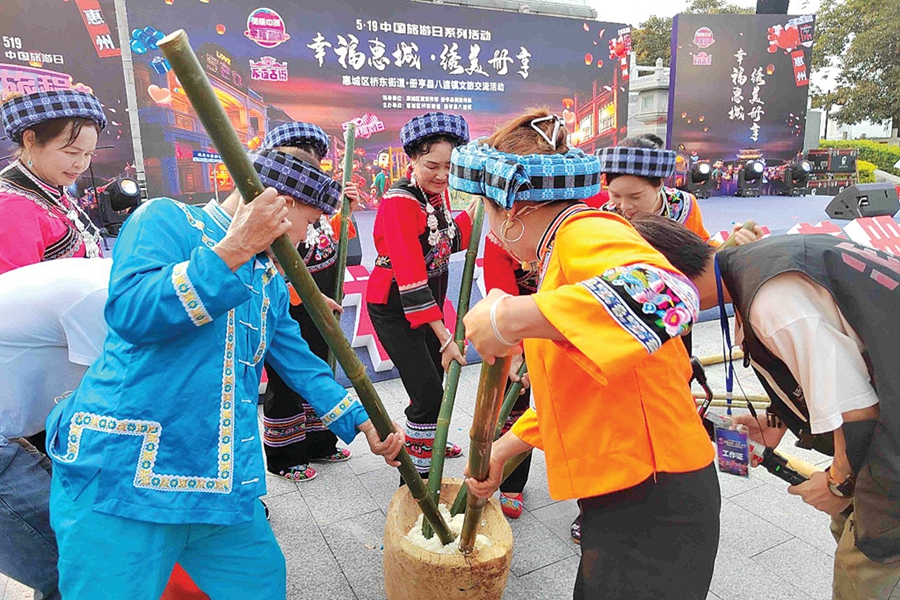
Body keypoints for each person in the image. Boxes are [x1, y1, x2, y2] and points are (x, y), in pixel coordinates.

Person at [44, 145, 404, 600]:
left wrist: (363, 420)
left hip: (218, 481)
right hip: (123, 477)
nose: (306, 239)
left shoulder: (269, 279)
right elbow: (131, 313)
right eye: (310, 223)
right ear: (280, 206)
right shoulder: (165, 219)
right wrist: (235, 248)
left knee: (260, 584)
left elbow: (300, 363)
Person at [458, 109, 720, 600]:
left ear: (511, 210)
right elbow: (579, 384)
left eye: (486, 213)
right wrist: (508, 446)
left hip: (652, 493)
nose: (490, 231)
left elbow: (668, 294)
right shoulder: (560, 248)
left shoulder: (583, 233)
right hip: (630, 486)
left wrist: (507, 317)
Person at [630, 214, 900, 600]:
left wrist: (837, 484)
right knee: (851, 527)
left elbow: (856, 411)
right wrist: (779, 420)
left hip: (890, 440)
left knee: (867, 566)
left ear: (660, 281)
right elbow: (839, 348)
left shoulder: (772, 299)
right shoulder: (756, 265)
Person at [366, 112, 475, 478]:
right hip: (396, 305)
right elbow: (411, 275)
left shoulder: (435, 197)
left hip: (428, 302)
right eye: (432, 166)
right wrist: (445, 338)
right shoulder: (400, 200)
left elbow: (447, 243)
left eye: (449, 167)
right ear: (412, 158)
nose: (442, 175)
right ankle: (417, 477)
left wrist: (477, 209)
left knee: (430, 382)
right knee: (428, 392)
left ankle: (427, 440)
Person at [0, 258, 110, 600]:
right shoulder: (101, 297)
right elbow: (122, 419)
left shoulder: (112, 282)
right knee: (78, 569)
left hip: (15, 427)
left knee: (79, 547)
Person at [257, 122, 361, 483]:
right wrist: (308, 297)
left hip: (322, 300)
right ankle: (284, 455)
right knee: (287, 376)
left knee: (321, 367)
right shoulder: (272, 211)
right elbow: (273, 268)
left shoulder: (311, 204)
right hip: (290, 302)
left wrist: (345, 210)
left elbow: (332, 238)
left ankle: (320, 440)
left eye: (315, 158)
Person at [0, 90, 107, 274]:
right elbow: (14, 288)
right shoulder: (11, 207)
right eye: (72, 152)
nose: (81, 164)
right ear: (30, 140)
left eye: (88, 154)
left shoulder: (51, 189)